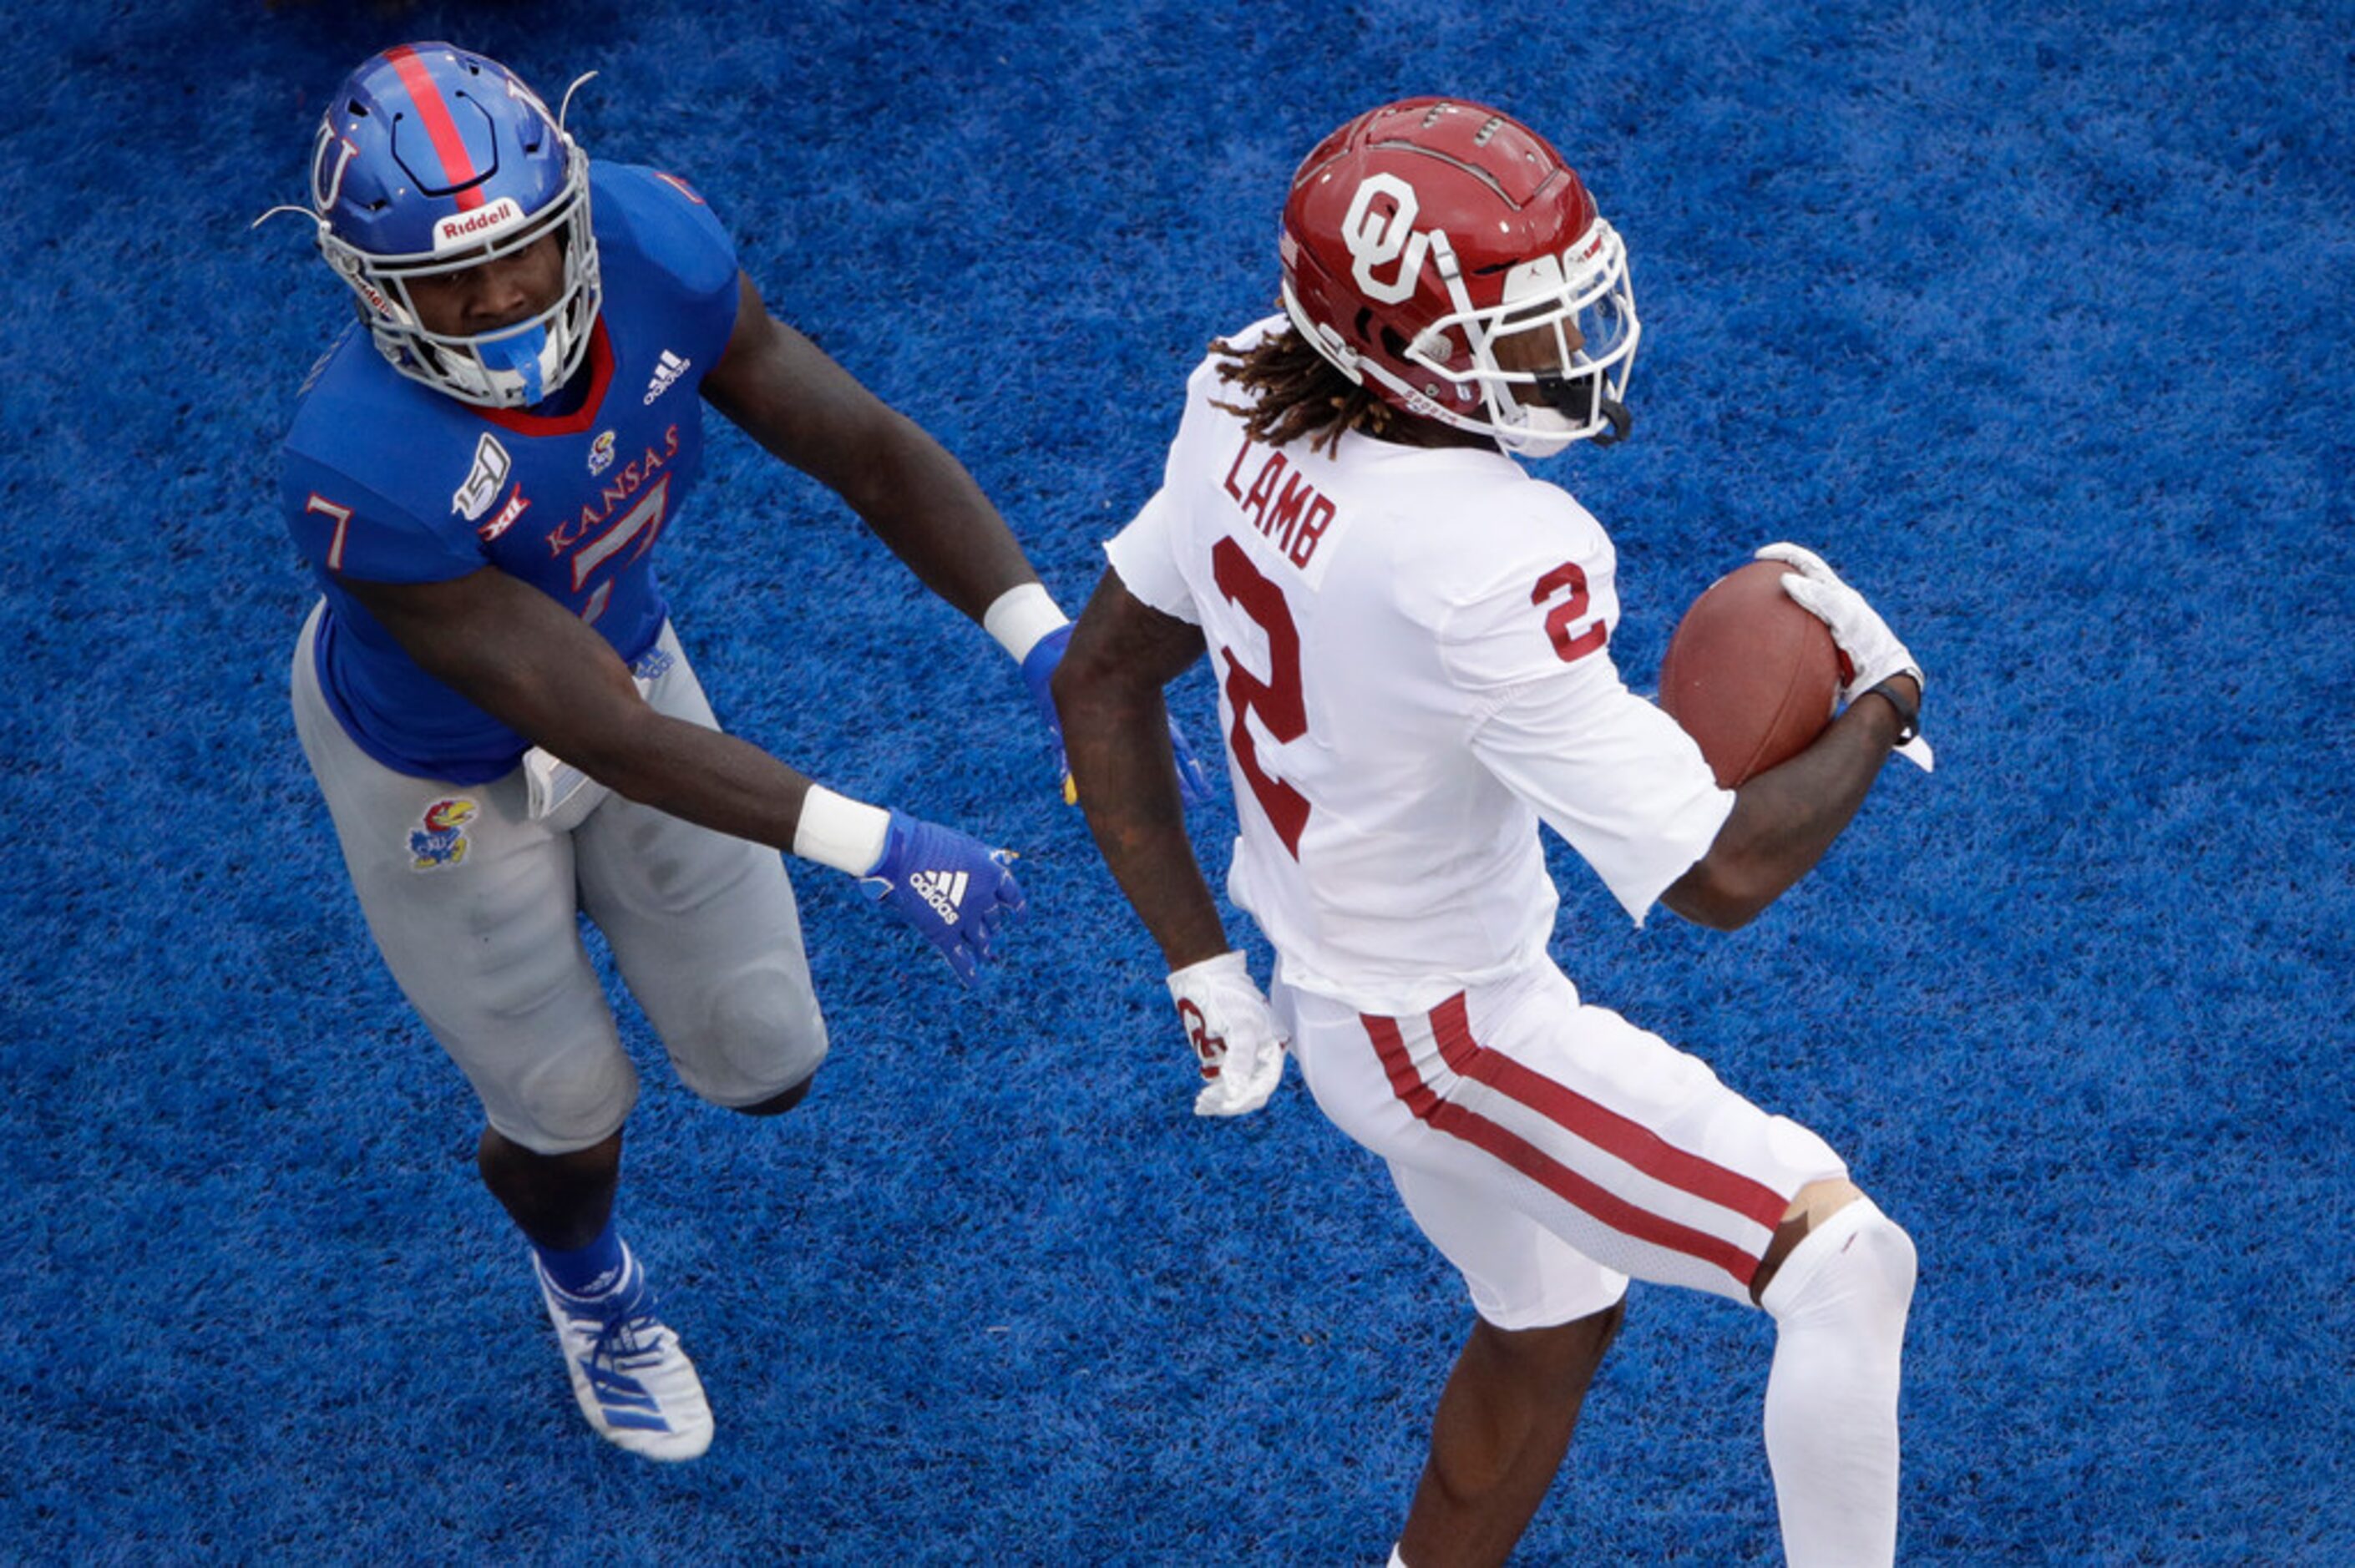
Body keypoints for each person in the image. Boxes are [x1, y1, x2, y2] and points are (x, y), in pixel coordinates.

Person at [265, 41, 1178, 1462]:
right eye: (454, 280)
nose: (502, 298)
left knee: (768, 1053)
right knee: (566, 1109)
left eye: (521, 252)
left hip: (619, 662)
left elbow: (864, 446)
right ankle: (592, 1287)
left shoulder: (655, 243)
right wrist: (884, 847)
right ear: (371, 287)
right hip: (443, 776)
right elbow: (607, 735)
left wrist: (1051, 646)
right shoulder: (366, 460)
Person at [1052, 98, 1933, 1565]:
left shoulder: (1233, 396)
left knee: (1554, 1311)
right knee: (1844, 1261)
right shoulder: (1496, 553)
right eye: (1504, 325)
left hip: (1334, 978)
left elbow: (1100, 672)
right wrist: (1881, 704)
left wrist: (1197, 960)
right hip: (1444, 1030)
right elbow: (1719, 871)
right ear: (1393, 351)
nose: (1555, 345)